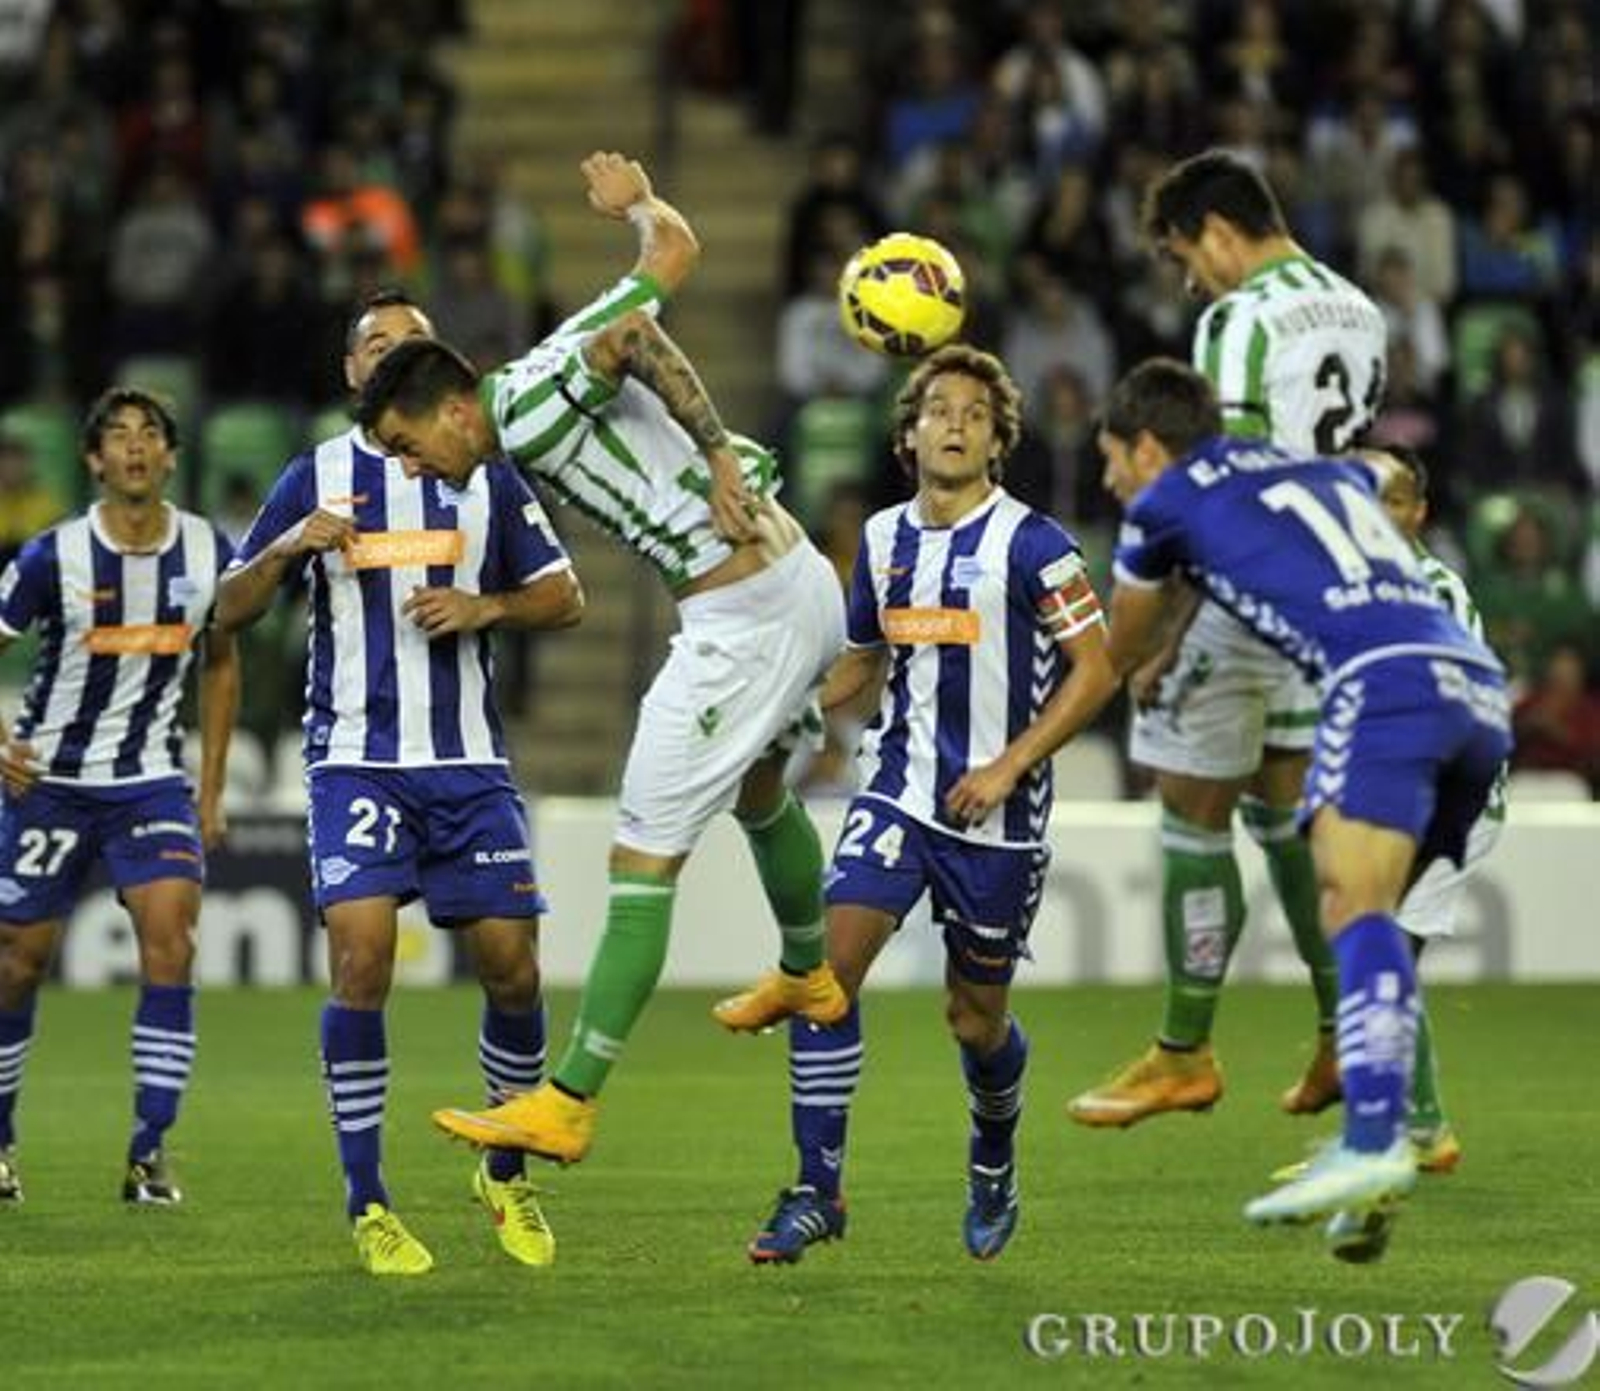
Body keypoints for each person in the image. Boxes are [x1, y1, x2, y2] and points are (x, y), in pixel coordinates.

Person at [357, 155, 848, 1172]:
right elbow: (673, 252)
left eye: (410, 446)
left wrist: (713, 451)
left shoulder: (527, 410)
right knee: (758, 790)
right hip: (789, 582)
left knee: (640, 858)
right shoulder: (546, 362)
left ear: (453, 409)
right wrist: (639, 206)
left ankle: (568, 1101)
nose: (416, 469)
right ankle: (808, 967)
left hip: (742, 616)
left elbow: (636, 336)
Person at [1093, 359, 1509, 1260]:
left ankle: (1371, 1143)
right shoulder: (1318, 475)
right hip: (1472, 691)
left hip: (1383, 685)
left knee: (1352, 909)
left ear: (1147, 446)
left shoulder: (1164, 504)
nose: (1107, 479)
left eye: (1111, 458)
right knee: (1374, 927)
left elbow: (1116, 647)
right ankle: (1377, 1164)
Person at [215, 289, 584, 1277]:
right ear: (351, 373)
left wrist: (485, 603)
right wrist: (291, 543)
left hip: (467, 763)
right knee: (363, 956)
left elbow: (565, 596)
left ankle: (504, 1170)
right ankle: (367, 1198)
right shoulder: (317, 476)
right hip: (356, 759)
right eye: (376, 343)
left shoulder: (484, 476)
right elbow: (225, 608)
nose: (393, 353)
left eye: (410, 341)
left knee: (514, 964)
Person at [730, 345, 1117, 1264]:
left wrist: (1011, 765)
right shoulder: (882, 540)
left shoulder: (1035, 545)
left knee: (974, 1020)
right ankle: (817, 1190)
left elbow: (1099, 669)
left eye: (974, 413)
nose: (954, 422)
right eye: (937, 409)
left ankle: (993, 1155)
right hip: (897, 791)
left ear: (998, 440)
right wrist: (781, 704)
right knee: (823, 978)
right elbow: (863, 659)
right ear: (907, 436)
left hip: (998, 819)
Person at [1069, 149, 1390, 1130]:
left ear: (1216, 230)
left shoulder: (1237, 321)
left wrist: (1169, 629)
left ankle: (1181, 1051)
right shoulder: (1358, 309)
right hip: (1332, 596)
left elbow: (1219, 485)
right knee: (1288, 812)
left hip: (1246, 596)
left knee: (1190, 808)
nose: (1188, 280)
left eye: (1182, 256)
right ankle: (1344, 1035)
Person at [0, 388, 239, 1207]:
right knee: (16, 964)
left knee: (171, 939)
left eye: (150, 434)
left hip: (148, 782)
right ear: (94, 460)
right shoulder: (50, 558)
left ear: (170, 456)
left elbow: (221, 662)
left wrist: (209, 792)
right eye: (117, 436)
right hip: (53, 784)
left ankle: (149, 1152)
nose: (135, 447)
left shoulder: (211, 551)